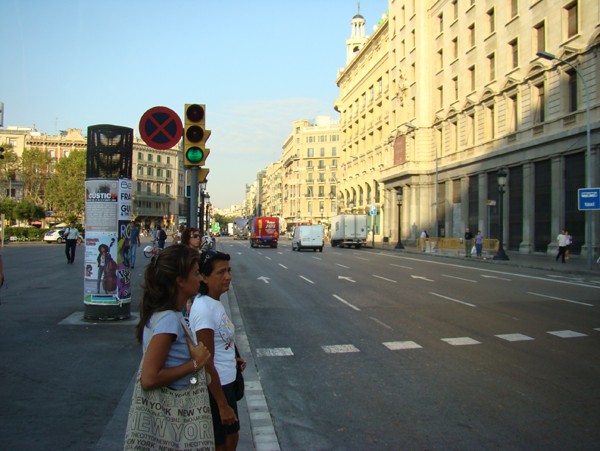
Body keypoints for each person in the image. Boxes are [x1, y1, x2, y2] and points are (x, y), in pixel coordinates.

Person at [133, 245, 213, 447]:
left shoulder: (168, 314)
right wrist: (195, 364)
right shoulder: (168, 319)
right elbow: (149, 378)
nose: (201, 279)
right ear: (180, 281)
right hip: (175, 413)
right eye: (196, 273)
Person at [189, 250, 246, 451]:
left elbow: (220, 339)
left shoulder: (214, 303)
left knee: (231, 438)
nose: (228, 276)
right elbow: (206, 361)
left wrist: (233, 357)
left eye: (228, 270)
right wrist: (221, 404)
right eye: (220, 272)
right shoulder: (204, 310)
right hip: (217, 389)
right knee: (223, 444)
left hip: (227, 382)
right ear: (204, 277)